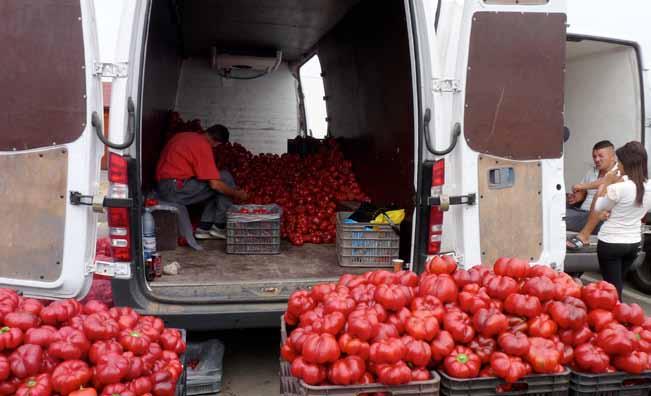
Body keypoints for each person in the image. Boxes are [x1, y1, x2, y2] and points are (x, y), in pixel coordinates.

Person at [156, 124, 248, 240]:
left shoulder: (183, 136)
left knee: (214, 185)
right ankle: (219, 226)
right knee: (224, 177)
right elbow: (215, 184)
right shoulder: (202, 145)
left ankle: (204, 228)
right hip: (175, 188)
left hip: (164, 186)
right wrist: (236, 194)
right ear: (216, 142)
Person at [592, 141, 651, 299]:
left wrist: (606, 182)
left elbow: (598, 206)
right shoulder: (649, 186)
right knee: (617, 282)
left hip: (611, 242)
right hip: (633, 243)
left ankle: (617, 317)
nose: (618, 165)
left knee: (612, 288)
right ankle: (619, 315)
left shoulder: (617, 188)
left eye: (619, 161)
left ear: (626, 164)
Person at [566, 140, 618, 250]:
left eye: (600, 156)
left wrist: (582, 186)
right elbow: (583, 192)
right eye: (594, 156)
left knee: (556, 216)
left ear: (613, 157)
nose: (596, 159)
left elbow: (606, 181)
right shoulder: (592, 171)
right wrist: (577, 197)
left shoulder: (618, 172)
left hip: (595, 218)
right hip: (580, 212)